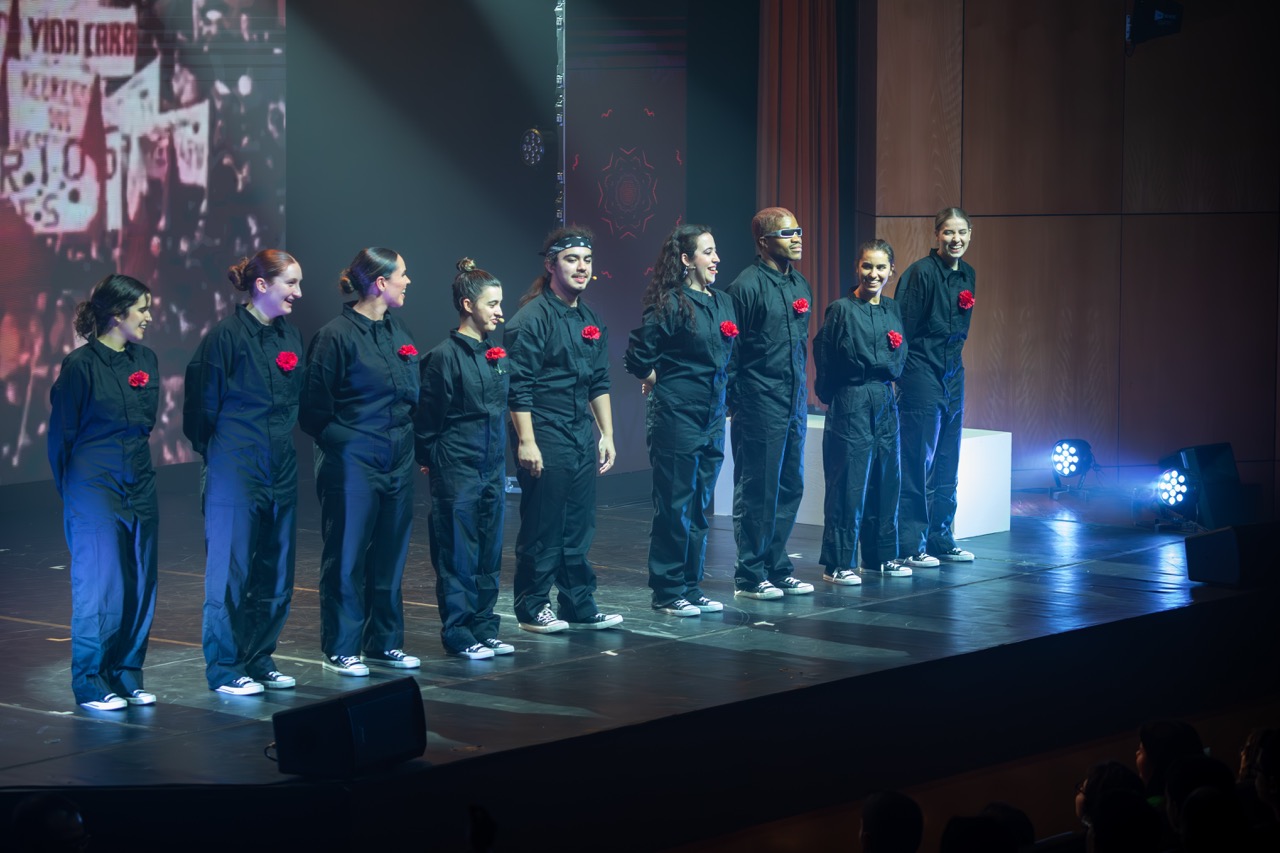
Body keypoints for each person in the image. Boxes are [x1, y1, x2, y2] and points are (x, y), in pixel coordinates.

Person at [183, 250, 304, 695]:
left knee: (275, 572)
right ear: (261, 285)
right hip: (235, 469)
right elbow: (200, 411)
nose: (298, 293)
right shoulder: (225, 337)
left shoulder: (290, 336)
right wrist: (223, 455)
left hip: (280, 468)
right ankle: (225, 667)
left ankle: (259, 656)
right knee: (230, 574)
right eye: (291, 283)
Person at [299, 248, 421, 675]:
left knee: (390, 554)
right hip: (353, 460)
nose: (408, 281)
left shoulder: (398, 330)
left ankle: (383, 642)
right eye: (403, 274)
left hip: (397, 458)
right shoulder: (335, 336)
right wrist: (349, 444)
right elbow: (314, 411)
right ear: (380, 283)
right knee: (347, 555)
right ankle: (341, 646)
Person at [48, 274, 159, 710]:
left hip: (139, 481)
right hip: (93, 485)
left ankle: (126, 674)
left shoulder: (145, 359)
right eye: (142, 309)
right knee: (100, 583)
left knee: (139, 580)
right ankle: (92, 682)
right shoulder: (80, 366)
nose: (148, 317)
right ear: (116, 313)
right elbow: (62, 437)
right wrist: (76, 493)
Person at [504, 226, 623, 633]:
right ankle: (532, 605)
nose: (581, 267)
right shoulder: (531, 320)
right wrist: (527, 442)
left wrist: (607, 434)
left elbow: (599, 382)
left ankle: (577, 603)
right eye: (572, 259)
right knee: (544, 525)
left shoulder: (590, 317)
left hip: (579, 433)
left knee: (578, 524)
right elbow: (518, 387)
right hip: (544, 431)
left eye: (587, 260)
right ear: (551, 265)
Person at [624, 224, 736, 616]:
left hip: (711, 417)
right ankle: (668, 590)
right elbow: (637, 356)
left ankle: (691, 584)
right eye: (707, 252)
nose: (716, 259)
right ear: (686, 260)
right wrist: (659, 382)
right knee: (675, 505)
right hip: (676, 416)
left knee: (700, 504)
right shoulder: (670, 303)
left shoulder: (723, 303)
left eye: (715, 251)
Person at [416, 258, 513, 660]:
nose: (500, 312)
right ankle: (458, 630)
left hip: (492, 468)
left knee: (489, 551)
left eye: (500, 303)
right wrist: (434, 459)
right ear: (468, 305)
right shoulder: (443, 357)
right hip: (457, 468)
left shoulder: (496, 355)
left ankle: (484, 626)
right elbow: (427, 419)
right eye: (492, 304)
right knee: (458, 552)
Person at [724, 207, 815, 599]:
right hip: (758, 402)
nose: (797, 238)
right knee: (757, 489)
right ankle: (750, 573)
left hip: (793, 401)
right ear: (764, 242)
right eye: (787, 233)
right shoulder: (745, 287)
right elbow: (731, 352)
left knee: (790, 485)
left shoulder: (800, 284)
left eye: (798, 231)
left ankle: (776, 567)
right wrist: (735, 403)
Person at [813, 238, 912, 582]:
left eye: (881, 267)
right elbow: (825, 356)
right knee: (848, 483)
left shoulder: (892, 309)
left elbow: (901, 354)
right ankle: (838, 563)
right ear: (857, 267)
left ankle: (879, 556)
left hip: (884, 399)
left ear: (891, 271)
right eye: (867, 266)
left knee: (887, 479)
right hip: (851, 400)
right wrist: (834, 395)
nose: (873, 273)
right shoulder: (841, 309)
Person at [893, 206, 977, 568]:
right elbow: (902, 331)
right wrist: (904, 378)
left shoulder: (968, 274)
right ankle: (911, 543)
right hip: (921, 373)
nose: (955, 239)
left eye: (961, 232)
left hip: (953, 374)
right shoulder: (920, 274)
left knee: (947, 460)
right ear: (937, 235)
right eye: (948, 232)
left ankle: (941, 538)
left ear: (970, 234)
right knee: (916, 461)